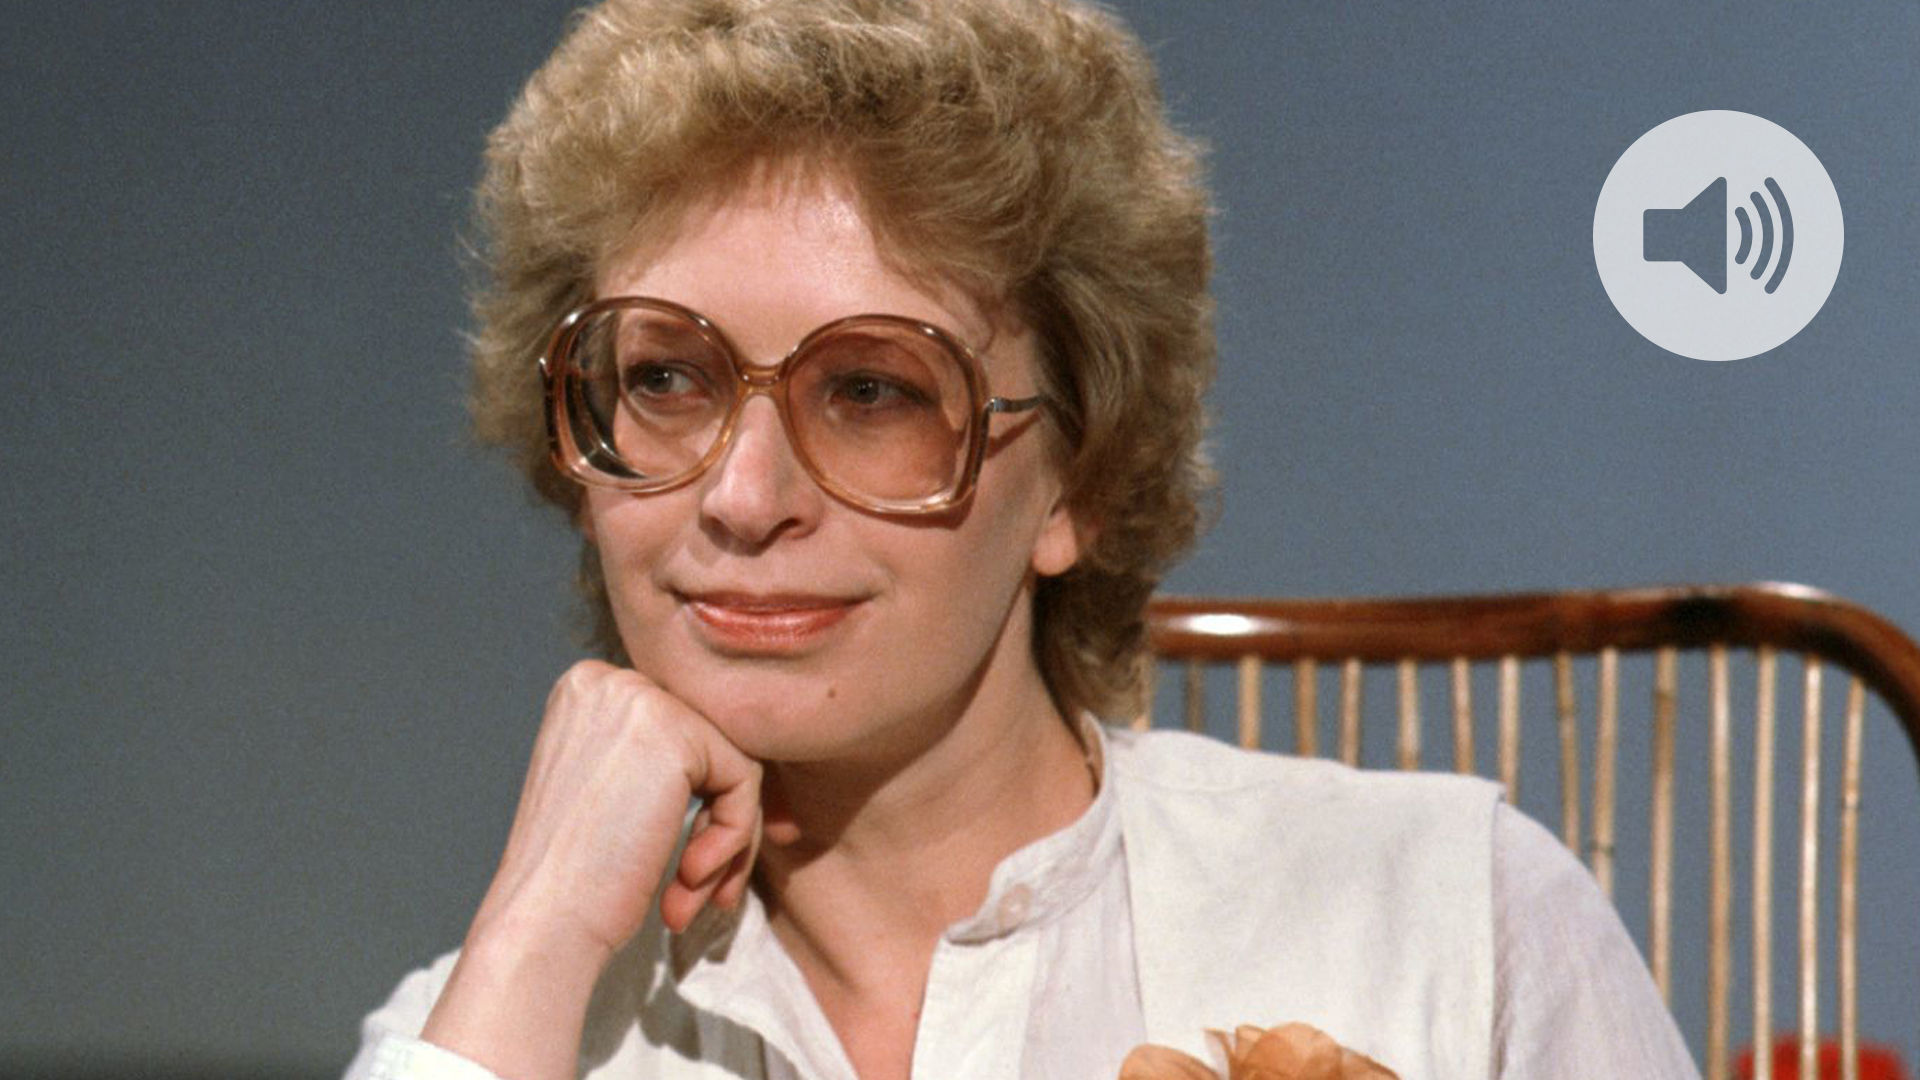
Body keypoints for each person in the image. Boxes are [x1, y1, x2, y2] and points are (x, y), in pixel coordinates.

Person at [345, 1, 1699, 1078]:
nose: (744, 498)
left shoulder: (1450, 922)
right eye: (664, 378)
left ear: (1076, 481)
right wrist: (537, 930)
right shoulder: (490, 1026)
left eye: (871, 391)